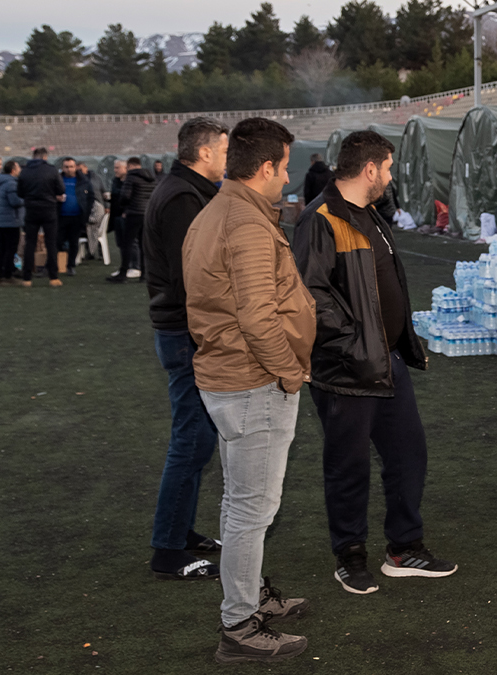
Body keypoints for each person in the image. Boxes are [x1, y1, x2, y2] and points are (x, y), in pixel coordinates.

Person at [293, 131, 456, 594]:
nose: (389, 175)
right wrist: (355, 342)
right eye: (386, 168)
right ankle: (349, 554)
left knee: (408, 452)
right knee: (348, 465)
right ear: (370, 169)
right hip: (345, 368)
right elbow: (311, 295)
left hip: (385, 361)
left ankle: (405, 547)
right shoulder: (319, 219)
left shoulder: (370, 214)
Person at [182, 117, 313, 663]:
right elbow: (258, 317)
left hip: (234, 376)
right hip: (253, 380)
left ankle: (250, 593)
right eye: (284, 167)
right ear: (266, 167)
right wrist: (288, 370)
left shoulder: (222, 210)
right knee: (251, 508)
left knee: (242, 501)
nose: (287, 177)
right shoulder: (246, 223)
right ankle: (239, 625)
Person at [143, 117, 230, 581]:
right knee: (191, 439)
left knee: (197, 438)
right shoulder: (181, 197)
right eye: (223, 149)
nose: (227, 157)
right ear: (204, 152)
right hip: (185, 332)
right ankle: (168, 550)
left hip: (183, 329)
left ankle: (179, 530)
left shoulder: (187, 190)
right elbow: (191, 275)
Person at [16, 148, 65, 287]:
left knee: (30, 243)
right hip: (49, 209)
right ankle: (53, 277)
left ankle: (27, 278)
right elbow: (61, 189)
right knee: (51, 243)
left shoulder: (24, 171)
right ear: (45, 157)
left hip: (31, 210)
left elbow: (20, 192)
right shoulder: (51, 170)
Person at [110, 157, 156, 282]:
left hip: (134, 213)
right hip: (146, 214)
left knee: (127, 243)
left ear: (129, 166)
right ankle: (144, 274)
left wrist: (124, 206)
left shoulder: (131, 177)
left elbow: (125, 196)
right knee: (143, 244)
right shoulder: (151, 178)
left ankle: (123, 273)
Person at [57, 157, 97, 276]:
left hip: (77, 217)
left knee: (74, 242)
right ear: (62, 168)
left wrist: (86, 213)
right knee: (57, 242)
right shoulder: (58, 180)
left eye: (71, 166)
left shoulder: (83, 181)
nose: (69, 169)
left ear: (75, 167)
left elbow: (91, 198)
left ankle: (70, 266)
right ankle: (55, 265)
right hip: (60, 216)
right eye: (66, 167)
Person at [0, 160, 24, 284]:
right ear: (13, 170)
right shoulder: (11, 183)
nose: (20, 170)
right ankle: (8, 275)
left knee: (2, 248)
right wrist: (25, 199)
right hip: (11, 221)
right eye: (18, 167)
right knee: (11, 249)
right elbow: (15, 202)